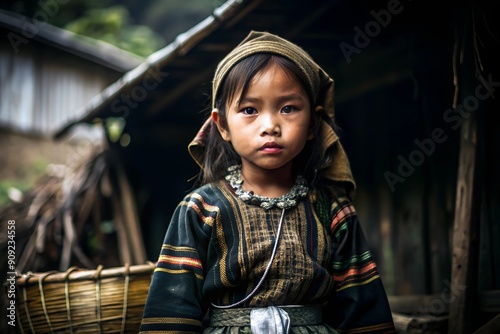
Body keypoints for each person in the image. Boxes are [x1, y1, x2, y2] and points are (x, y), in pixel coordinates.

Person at [140, 31, 395, 334]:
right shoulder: (200, 209)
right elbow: (171, 310)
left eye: (288, 108)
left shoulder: (333, 208)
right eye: (249, 110)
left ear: (313, 124)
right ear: (222, 125)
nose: (270, 126)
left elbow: (364, 308)